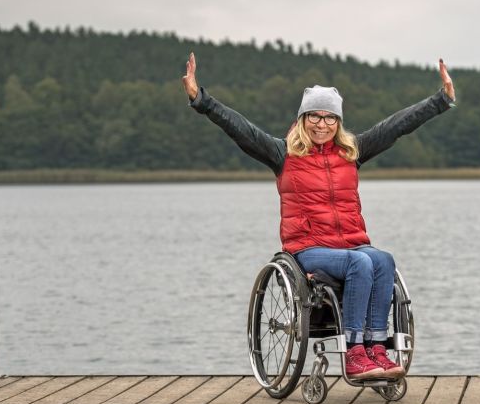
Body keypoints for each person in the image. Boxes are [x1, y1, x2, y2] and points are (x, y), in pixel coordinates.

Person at [182, 53, 456, 380]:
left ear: (337, 122)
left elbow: (395, 126)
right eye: (315, 116)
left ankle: (376, 348)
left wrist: (440, 101)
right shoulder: (282, 153)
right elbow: (240, 128)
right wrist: (201, 100)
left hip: (351, 243)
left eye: (329, 118)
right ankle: (354, 353)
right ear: (302, 119)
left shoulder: (351, 152)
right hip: (307, 248)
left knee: (383, 260)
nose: (322, 124)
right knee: (361, 264)